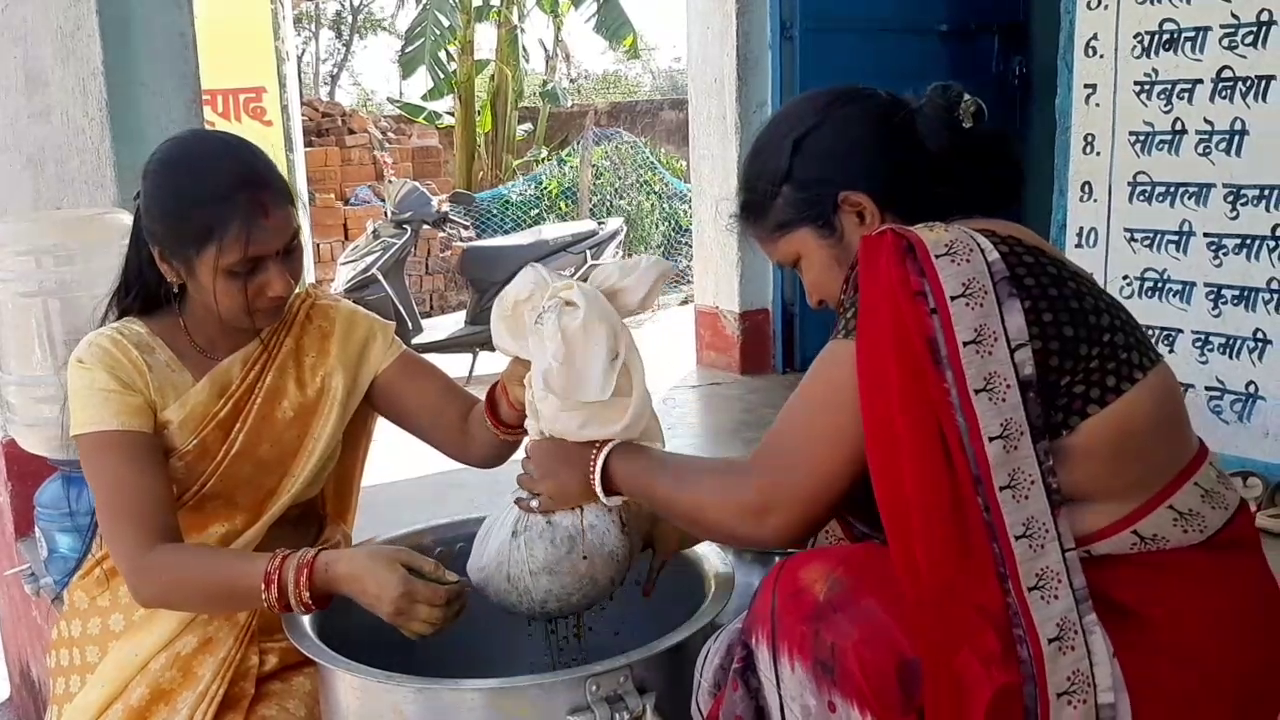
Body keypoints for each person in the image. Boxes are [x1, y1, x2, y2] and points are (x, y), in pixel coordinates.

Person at [514, 83, 1280, 719]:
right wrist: (678, 513)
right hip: (1220, 625)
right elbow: (829, 475)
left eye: (798, 263)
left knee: (796, 617)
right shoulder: (995, 251)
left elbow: (770, 503)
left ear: (856, 215)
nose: (811, 296)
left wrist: (601, 464)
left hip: (1157, 650)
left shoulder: (929, 275)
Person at [45, 129, 533, 720]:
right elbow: (150, 569)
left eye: (289, 250)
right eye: (245, 269)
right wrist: (329, 572)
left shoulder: (330, 332)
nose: (280, 283)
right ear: (171, 264)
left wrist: (527, 378)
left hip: (293, 631)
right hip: (149, 641)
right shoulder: (115, 364)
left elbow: (473, 434)